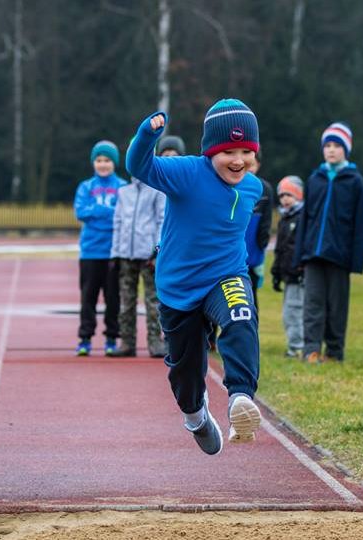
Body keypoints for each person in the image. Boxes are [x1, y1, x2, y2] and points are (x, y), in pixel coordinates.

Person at [126, 99, 264, 456]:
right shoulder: (186, 172)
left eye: (246, 152)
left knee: (241, 318)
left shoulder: (253, 188)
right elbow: (139, 167)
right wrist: (146, 135)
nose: (237, 161)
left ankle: (240, 398)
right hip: (179, 288)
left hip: (226, 276)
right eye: (228, 152)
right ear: (209, 152)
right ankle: (195, 415)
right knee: (186, 371)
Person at [293, 122, 363, 364]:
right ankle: (311, 350)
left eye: (337, 146)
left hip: (340, 255)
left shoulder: (355, 181)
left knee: (337, 307)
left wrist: (356, 260)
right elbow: (305, 219)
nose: (332, 150)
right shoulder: (315, 179)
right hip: (313, 253)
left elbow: (361, 223)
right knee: (312, 304)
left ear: (346, 149)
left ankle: (335, 351)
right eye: (328, 146)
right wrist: (299, 255)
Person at [107, 137, 173, 358]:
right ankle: (127, 342)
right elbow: (117, 223)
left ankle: (155, 342)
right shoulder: (123, 192)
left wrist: (157, 250)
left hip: (148, 255)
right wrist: (115, 253)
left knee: (152, 300)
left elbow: (161, 221)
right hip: (126, 254)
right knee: (126, 300)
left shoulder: (156, 190)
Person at [74, 140, 127, 357]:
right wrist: (106, 212)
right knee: (88, 297)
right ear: (93, 162)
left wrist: (97, 210)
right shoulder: (86, 187)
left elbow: (122, 215)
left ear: (114, 163)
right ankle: (85, 338)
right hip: (90, 251)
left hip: (114, 251)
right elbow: (81, 212)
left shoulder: (123, 187)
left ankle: (112, 337)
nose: (103, 164)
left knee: (113, 298)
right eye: (99, 160)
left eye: (107, 160)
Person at [271, 175, 305, 358]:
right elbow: (280, 248)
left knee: (294, 311)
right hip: (287, 273)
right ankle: (295, 343)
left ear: (298, 195)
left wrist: (300, 267)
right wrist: (276, 271)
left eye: (289, 195)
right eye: (282, 195)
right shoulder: (284, 219)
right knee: (288, 311)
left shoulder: (301, 218)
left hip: (297, 274)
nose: (285, 199)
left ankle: (297, 346)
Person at [244, 156, 274, 306]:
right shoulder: (231, 185)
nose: (249, 167)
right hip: (231, 255)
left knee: (251, 295)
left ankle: (252, 328)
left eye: (253, 164)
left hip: (253, 256)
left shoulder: (265, 189)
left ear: (258, 165)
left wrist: (261, 249)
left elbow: (266, 224)